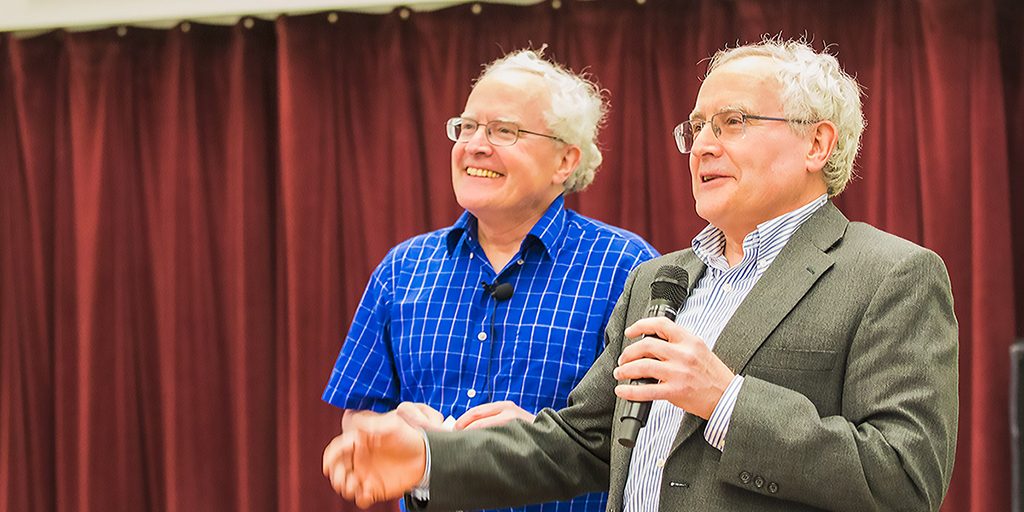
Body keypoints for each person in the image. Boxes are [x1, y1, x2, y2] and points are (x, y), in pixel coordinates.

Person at [322, 38, 959, 511]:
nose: (704, 144)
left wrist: (727, 400)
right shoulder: (660, 279)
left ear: (817, 143)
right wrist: (429, 460)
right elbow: (580, 443)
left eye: (733, 122)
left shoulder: (891, 275)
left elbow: (906, 479)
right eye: (697, 127)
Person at [321, 49, 659, 512]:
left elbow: (659, 436)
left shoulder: (627, 268)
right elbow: (358, 418)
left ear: (565, 160)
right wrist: (390, 432)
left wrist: (547, 440)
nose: (475, 145)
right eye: (467, 127)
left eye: (504, 131)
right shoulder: (403, 269)